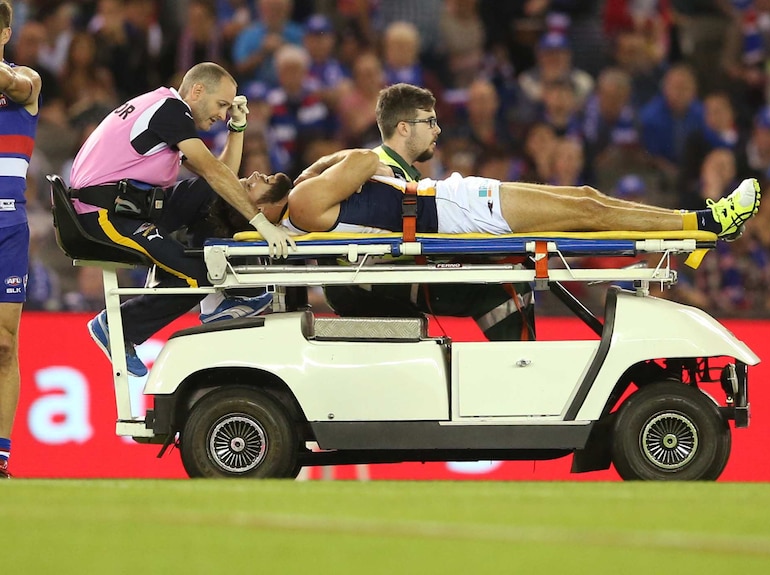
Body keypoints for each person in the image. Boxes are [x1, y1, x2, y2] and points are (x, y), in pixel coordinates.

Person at [69, 62, 294, 378]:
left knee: (206, 192)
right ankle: (119, 327)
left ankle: (221, 287)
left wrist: (237, 129)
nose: (221, 114)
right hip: (104, 215)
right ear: (197, 91)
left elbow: (215, 179)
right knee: (201, 274)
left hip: (130, 206)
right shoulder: (171, 111)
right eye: (221, 105)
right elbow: (216, 172)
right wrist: (264, 226)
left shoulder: (165, 108)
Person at [325, 83, 535, 342]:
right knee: (504, 285)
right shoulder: (375, 170)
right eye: (430, 122)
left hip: (392, 271)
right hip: (374, 279)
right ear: (404, 128)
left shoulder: (394, 168)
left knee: (507, 266)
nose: (438, 130)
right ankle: (520, 367)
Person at [264, 148, 760, 239]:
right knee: (588, 209)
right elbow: (365, 160)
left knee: (587, 197)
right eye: (251, 184)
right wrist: (314, 168)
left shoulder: (303, 203)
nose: (261, 175)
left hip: (444, 200)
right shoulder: (303, 201)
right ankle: (709, 221)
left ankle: (702, 217)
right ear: (259, 209)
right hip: (450, 213)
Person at [1, 0, 43, 478]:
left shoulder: (24, 81)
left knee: (5, 346)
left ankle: (0, 457)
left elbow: (15, 84)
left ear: (6, 33)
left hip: (8, 225)